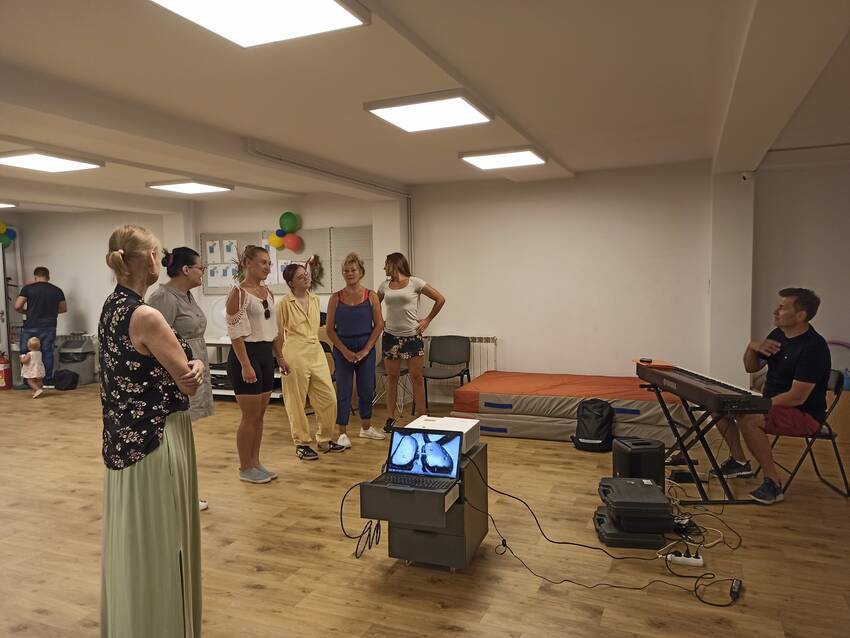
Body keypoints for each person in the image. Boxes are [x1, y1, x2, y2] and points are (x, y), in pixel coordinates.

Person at [99, 224, 205, 637]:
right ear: (147, 259)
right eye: (158, 254)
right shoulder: (147, 316)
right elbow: (187, 382)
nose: (160, 260)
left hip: (123, 440)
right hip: (157, 439)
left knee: (134, 540)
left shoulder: (112, 307)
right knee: (160, 539)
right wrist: (196, 365)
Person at [713, 288, 831, 505]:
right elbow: (751, 367)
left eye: (782, 308)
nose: (775, 311)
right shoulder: (777, 335)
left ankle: (773, 483)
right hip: (772, 405)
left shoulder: (814, 347)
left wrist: (757, 405)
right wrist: (752, 347)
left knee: (750, 419)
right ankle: (739, 463)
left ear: (800, 315)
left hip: (804, 414)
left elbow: (796, 398)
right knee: (718, 407)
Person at [147, 246, 214, 511]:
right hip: (176, 376)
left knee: (183, 436)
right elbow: (157, 343)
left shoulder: (186, 295)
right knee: (172, 437)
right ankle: (173, 494)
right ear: (186, 269)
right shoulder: (163, 298)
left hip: (193, 368)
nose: (203, 273)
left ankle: (183, 492)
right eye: (200, 268)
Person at [225, 245, 283, 484]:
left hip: (265, 354)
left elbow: (274, 329)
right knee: (249, 417)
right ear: (248, 263)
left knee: (259, 416)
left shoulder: (267, 292)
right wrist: (245, 365)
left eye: (269, 263)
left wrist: (280, 357)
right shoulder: (238, 293)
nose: (267, 267)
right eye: (262, 262)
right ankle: (245, 467)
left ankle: (256, 462)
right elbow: (235, 334)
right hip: (246, 355)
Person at [276, 261, 346, 460]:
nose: (306, 278)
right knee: (296, 401)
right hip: (294, 353)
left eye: (305, 275)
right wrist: (280, 358)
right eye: (300, 277)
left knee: (328, 397)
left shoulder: (314, 299)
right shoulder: (283, 304)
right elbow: (278, 334)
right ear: (291, 283)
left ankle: (325, 439)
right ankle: (301, 443)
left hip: (315, 351)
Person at [377, 252, 445, 431]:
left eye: (386, 264)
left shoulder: (415, 282)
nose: (384, 268)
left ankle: (422, 417)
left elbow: (440, 299)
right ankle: (390, 418)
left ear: (395, 264)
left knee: (416, 378)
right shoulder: (384, 285)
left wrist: (427, 320)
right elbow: (374, 305)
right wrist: (380, 322)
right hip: (390, 337)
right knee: (392, 378)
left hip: (412, 337)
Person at [325, 252, 386, 446]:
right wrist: (344, 351)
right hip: (342, 349)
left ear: (361, 272)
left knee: (366, 389)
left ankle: (366, 428)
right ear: (342, 273)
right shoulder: (335, 298)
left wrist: (366, 350)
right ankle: (342, 433)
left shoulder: (371, 296)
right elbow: (329, 329)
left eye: (353, 270)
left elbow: (379, 325)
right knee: (343, 390)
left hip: (366, 349)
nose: (350, 273)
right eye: (346, 270)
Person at [14, 266, 66, 385]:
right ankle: (46, 381)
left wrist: (26, 312)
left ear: (35, 276)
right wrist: (51, 312)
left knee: (25, 352)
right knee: (47, 353)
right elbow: (63, 308)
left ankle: (29, 380)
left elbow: (17, 306)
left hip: (31, 326)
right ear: (48, 276)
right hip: (49, 326)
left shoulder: (28, 288)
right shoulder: (57, 290)